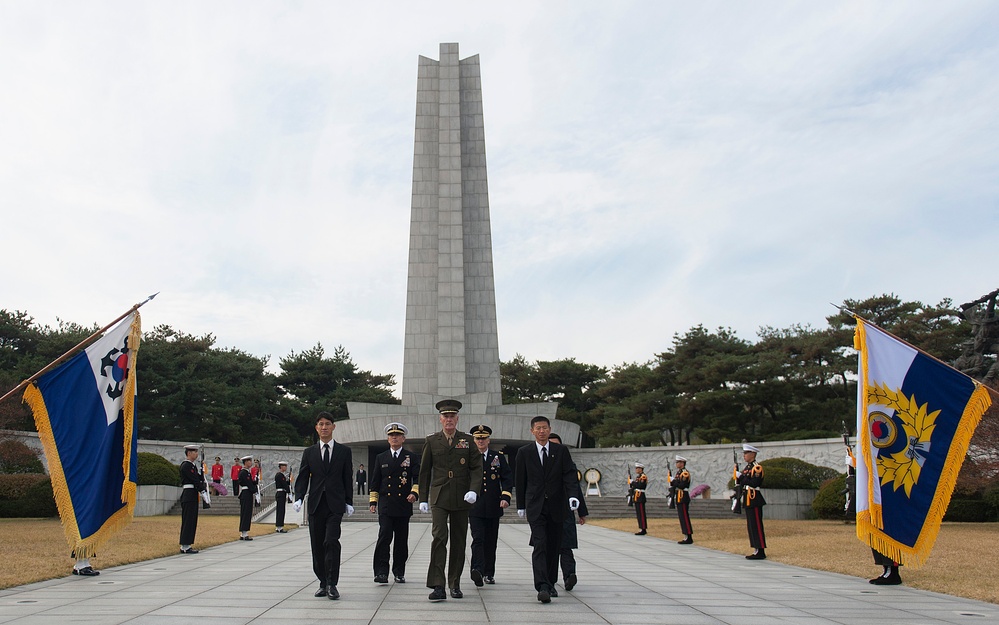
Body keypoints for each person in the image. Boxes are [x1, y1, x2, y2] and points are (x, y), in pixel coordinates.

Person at [418, 399, 483, 601]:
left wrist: (474, 490)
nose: (449, 420)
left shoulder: (468, 440)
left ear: (457, 418)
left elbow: (476, 468)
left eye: (452, 416)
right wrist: (423, 497)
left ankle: (454, 583)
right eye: (445, 416)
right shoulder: (432, 440)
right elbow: (424, 471)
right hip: (439, 496)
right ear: (440, 419)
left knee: (458, 540)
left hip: (462, 496)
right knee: (439, 537)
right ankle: (438, 585)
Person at [515, 416, 580, 604]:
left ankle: (551, 582)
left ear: (549, 429)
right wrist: (520, 505)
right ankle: (542, 585)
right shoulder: (524, 452)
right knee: (540, 544)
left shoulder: (561, 451)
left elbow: (569, 475)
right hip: (536, 507)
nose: (542, 431)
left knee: (553, 546)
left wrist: (573, 496)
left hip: (557, 506)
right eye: (538, 428)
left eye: (544, 428)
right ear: (532, 431)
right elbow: (520, 481)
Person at [294, 411, 354, 601]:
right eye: (321, 424)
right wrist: (298, 497)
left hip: (335, 505)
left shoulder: (344, 451)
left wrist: (349, 502)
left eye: (328, 424)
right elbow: (303, 476)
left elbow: (347, 477)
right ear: (316, 427)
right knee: (317, 545)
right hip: (316, 504)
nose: (324, 427)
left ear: (333, 427)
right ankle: (322, 582)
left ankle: (332, 583)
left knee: (331, 542)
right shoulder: (309, 452)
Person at [368, 422, 420, 584]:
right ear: (388, 439)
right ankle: (381, 572)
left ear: (403, 438)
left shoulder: (411, 457)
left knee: (401, 540)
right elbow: (375, 480)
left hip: (403, 504)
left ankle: (399, 571)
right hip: (385, 504)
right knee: (384, 537)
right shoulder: (381, 457)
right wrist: (373, 501)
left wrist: (414, 493)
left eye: (397, 435)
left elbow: (417, 478)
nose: (394, 437)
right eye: (391, 435)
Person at [468, 424, 512, 587]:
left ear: (488, 440)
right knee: (477, 538)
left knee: (491, 541)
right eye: (478, 438)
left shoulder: (498, 457)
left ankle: (489, 573)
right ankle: (477, 570)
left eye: (483, 438)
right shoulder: (469, 457)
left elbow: (507, 478)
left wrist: (505, 496)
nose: (481, 441)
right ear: (474, 440)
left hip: (494, 505)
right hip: (475, 506)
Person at [548, 432, 587, 592]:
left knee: (566, 547)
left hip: (565, 511)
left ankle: (569, 576)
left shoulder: (569, 465)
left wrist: (581, 511)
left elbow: (575, 489)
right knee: (548, 548)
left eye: (557, 445)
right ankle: (549, 580)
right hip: (547, 511)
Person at [737, 444, 767, 559]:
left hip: (754, 498)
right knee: (751, 525)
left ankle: (760, 550)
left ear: (753, 454)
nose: (744, 456)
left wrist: (741, 478)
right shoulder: (748, 468)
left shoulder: (757, 467)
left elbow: (754, 483)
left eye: (746, 453)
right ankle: (755, 548)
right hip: (748, 497)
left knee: (756, 524)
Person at [179, 444, 207, 554]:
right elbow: (194, 480)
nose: (196, 454)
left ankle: (188, 544)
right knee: (188, 521)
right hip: (188, 494)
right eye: (194, 452)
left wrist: (201, 473)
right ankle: (184, 545)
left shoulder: (193, 466)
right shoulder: (186, 466)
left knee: (192, 520)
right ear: (189, 453)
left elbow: (198, 478)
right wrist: (202, 489)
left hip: (193, 494)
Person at [671, 455, 693, 544]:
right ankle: (685, 535)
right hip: (679, 496)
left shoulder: (685, 473)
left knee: (684, 516)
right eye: (676, 462)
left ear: (682, 463)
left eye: (678, 462)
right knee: (681, 517)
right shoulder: (679, 473)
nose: (676, 464)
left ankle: (689, 536)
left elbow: (682, 485)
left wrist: (673, 481)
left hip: (683, 495)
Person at [237, 455, 257, 541]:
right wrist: (254, 489)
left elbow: (251, 482)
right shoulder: (243, 472)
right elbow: (248, 484)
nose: (251, 462)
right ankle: (244, 533)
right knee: (245, 513)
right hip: (246, 493)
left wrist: (255, 481)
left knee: (248, 513)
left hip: (248, 493)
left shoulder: (247, 472)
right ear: (245, 462)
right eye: (249, 461)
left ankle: (245, 532)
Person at [630, 462, 649, 535]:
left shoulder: (643, 476)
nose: (636, 469)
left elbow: (640, 485)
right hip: (637, 496)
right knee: (638, 513)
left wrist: (633, 483)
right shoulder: (638, 477)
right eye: (636, 468)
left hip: (640, 496)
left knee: (641, 513)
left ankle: (643, 528)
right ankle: (641, 528)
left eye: (637, 468)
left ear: (641, 469)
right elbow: (635, 486)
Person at [274, 461, 291, 533]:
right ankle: (279, 527)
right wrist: (289, 490)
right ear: (281, 467)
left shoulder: (282, 475)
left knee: (281, 510)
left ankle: (280, 526)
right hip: (280, 493)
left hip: (282, 494)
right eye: (284, 466)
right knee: (280, 510)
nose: (285, 467)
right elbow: (284, 484)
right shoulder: (279, 475)